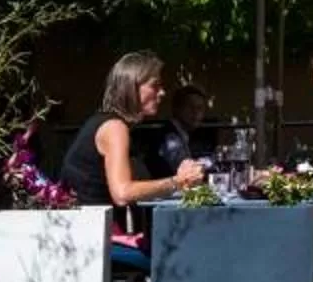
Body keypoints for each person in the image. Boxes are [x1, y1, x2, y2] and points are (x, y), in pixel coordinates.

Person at [59, 52, 209, 212]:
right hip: (97, 230)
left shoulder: (109, 123)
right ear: (131, 87)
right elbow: (122, 193)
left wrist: (178, 177)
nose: (162, 92)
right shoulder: (114, 128)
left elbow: (137, 184)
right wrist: (178, 181)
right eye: (154, 85)